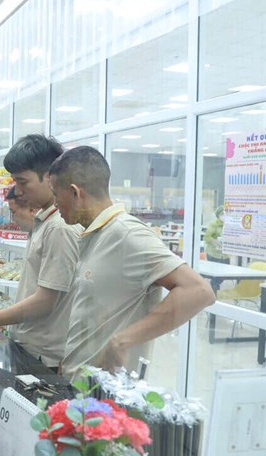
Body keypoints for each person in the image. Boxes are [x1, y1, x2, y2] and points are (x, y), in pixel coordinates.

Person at [47, 146, 215, 377]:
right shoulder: (94, 234)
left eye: (56, 195)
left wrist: (123, 341)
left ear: (75, 193)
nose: (55, 205)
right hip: (78, 384)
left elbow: (199, 291)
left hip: (104, 394)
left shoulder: (126, 234)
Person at [0, 135, 81, 370]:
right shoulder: (43, 221)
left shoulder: (59, 228)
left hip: (44, 357)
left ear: (50, 177)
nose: (17, 191)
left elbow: (45, 302)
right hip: (30, 346)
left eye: (23, 182)